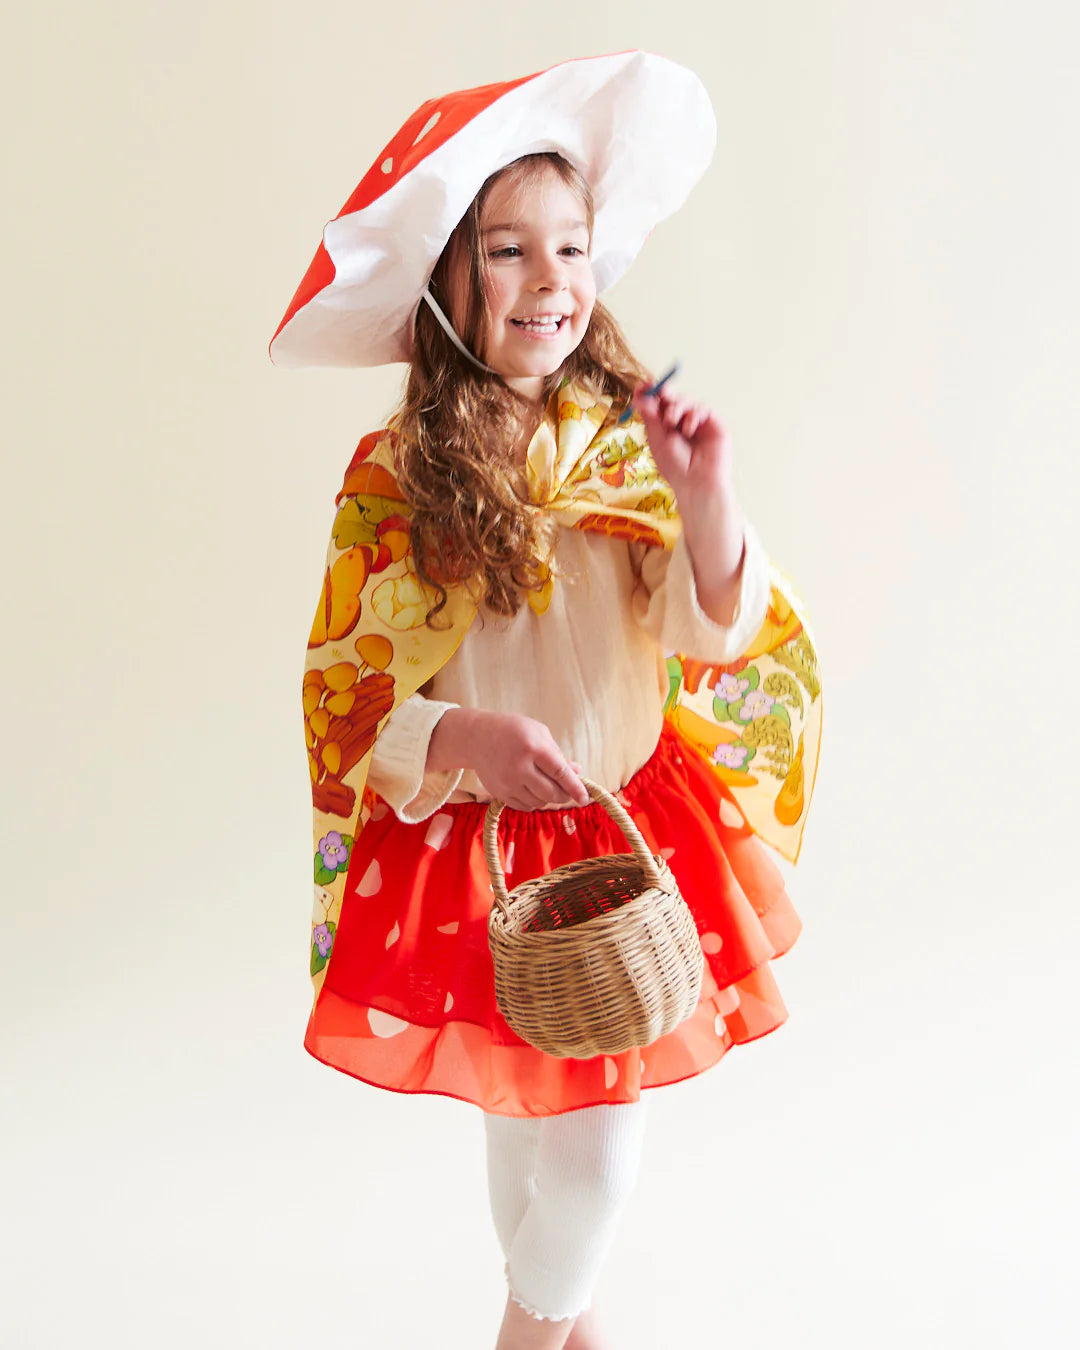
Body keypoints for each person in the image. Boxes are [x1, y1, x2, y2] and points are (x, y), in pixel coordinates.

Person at [272, 52, 822, 1350]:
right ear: (446, 286)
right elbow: (345, 693)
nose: (551, 281)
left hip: (628, 836)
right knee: (527, 1150)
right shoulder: (397, 480)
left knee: (591, 1164)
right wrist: (459, 733)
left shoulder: (623, 447)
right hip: (479, 849)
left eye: (571, 249)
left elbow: (705, 630)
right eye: (507, 251)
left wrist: (706, 504)